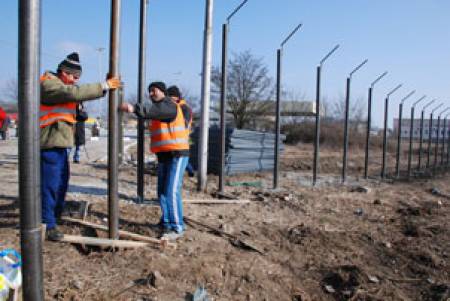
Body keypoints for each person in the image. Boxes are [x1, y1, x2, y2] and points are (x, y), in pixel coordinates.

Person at [40, 52, 121, 241]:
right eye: (74, 77)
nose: (75, 81)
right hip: (48, 143)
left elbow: (73, 102)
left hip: (60, 144)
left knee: (61, 183)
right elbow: (71, 93)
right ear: (64, 72)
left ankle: (55, 216)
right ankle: (46, 223)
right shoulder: (48, 83)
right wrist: (104, 86)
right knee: (49, 186)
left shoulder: (62, 87)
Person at [120, 81, 190, 240]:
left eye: (154, 90)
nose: (151, 93)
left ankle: (177, 227)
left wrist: (133, 108)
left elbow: (153, 110)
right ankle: (166, 222)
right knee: (162, 192)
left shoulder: (168, 105)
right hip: (164, 155)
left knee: (172, 191)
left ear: (163, 92)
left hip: (177, 154)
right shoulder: (158, 110)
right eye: (149, 91)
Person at [167, 86, 195, 177]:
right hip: (175, 139)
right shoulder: (176, 107)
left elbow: (184, 124)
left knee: (182, 157)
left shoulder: (185, 108)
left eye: (170, 97)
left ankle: (191, 171)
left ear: (177, 97)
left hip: (182, 138)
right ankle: (190, 171)